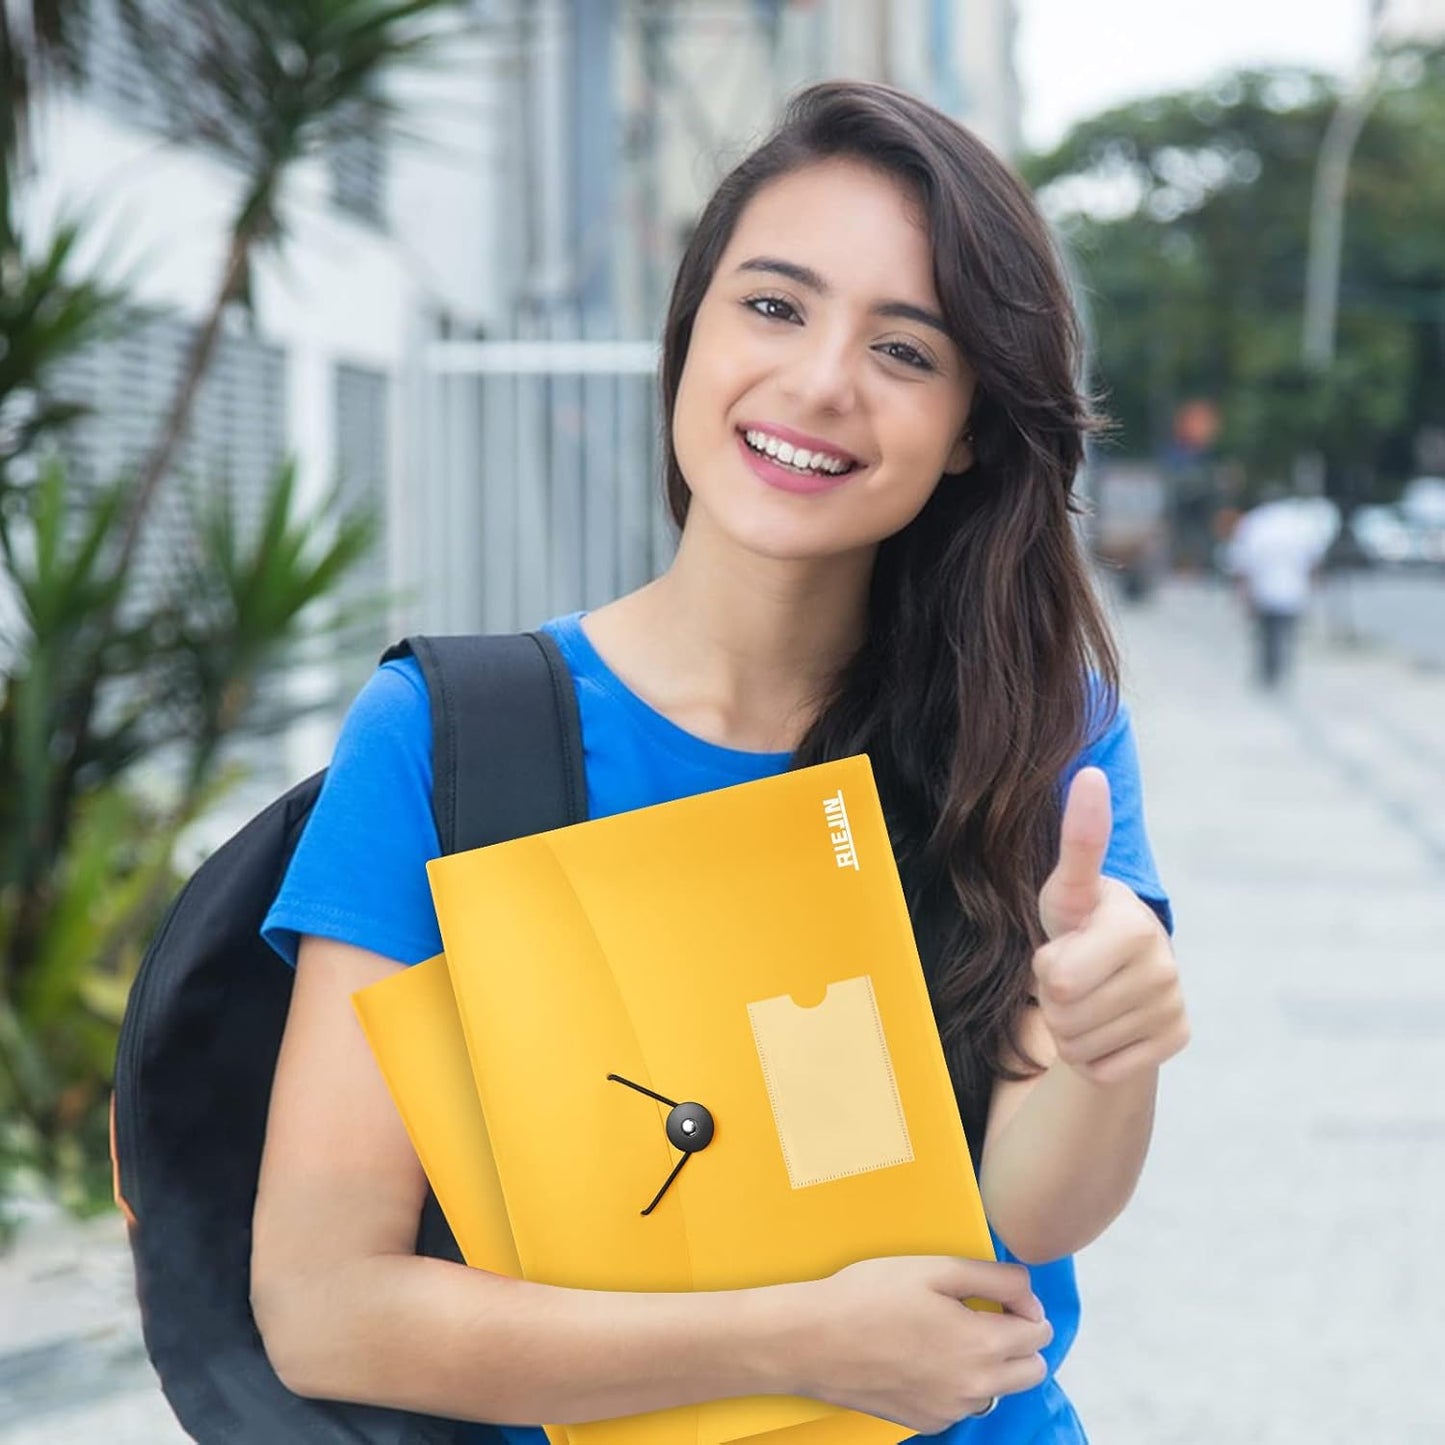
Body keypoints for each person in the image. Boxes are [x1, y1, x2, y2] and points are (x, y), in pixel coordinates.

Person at [252, 80, 1189, 1443]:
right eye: (773, 305)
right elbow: (324, 1305)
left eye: (907, 351)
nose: (819, 381)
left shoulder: (1037, 725)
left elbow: (1039, 1213)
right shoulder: (447, 740)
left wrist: (1112, 1041)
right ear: (689, 332)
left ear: (973, 426)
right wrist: (798, 1344)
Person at [1225, 487, 1332, 689]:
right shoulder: (1299, 524)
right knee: (1286, 633)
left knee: (1266, 633)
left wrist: (1241, 592)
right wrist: (1316, 583)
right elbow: (1314, 559)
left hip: (1263, 588)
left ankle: (1269, 670)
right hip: (1293, 589)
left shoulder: (1255, 523)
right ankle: (1280, 669)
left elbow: (1242, 562)